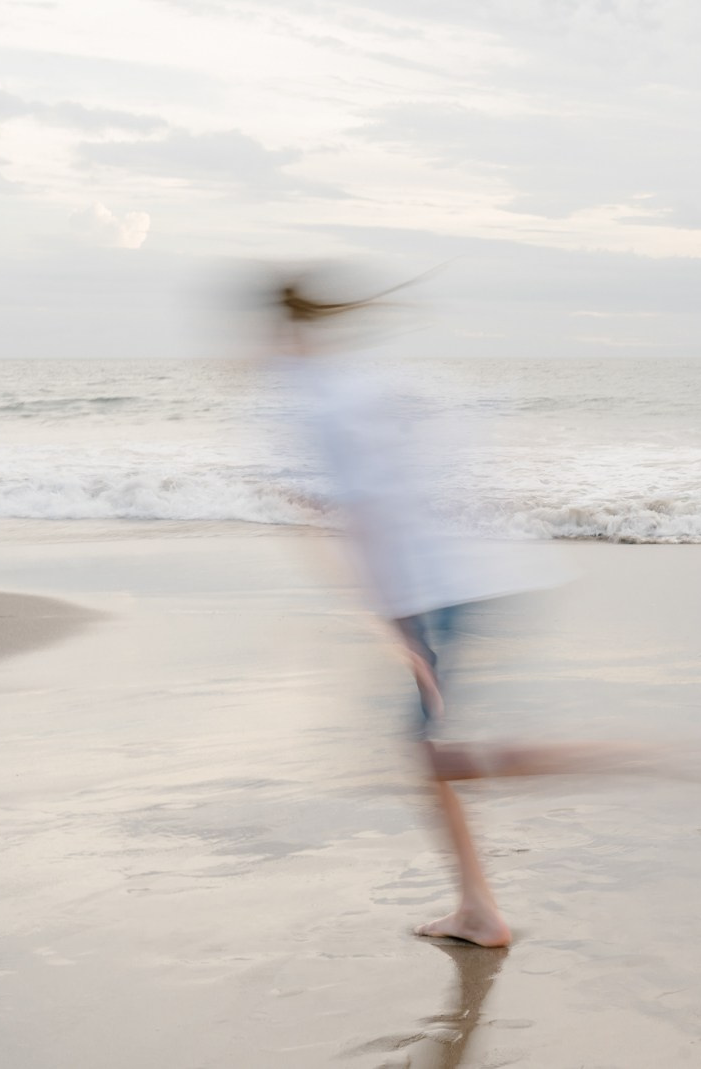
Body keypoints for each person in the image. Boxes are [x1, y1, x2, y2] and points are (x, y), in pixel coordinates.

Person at [269, 272, 674, 946]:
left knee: (432, 755)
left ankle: (623, 756)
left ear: (282, 331)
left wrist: (401, 635)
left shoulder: (316, 401)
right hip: (463, 572)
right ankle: (477, 905)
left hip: (436, 589)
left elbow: (359, 516)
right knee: (423, 753)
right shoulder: (360, 383)